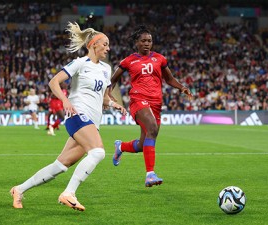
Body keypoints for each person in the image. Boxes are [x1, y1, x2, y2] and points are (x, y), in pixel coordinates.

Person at [10, 22, 127, 211]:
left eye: (108, 44)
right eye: (104, 44)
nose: (108, 47)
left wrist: (115, 105)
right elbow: (54, 82)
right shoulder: (80, 63)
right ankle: (69, 193)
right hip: (77, 116)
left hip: (91, 123)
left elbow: (104, 98)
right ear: (93, 45)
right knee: (98, 152)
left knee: (60, 166)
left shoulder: (106, 69)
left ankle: (19, 189)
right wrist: (65, 100)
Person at [109, 25, 193, 187]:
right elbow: (113, 80)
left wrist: (181, 87)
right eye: (143, 41)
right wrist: (108, 94)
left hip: (156, 103)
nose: (147, 43)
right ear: (137, 43)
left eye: (149, 41)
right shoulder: (129, 61)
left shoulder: (160, 59)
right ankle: (150, 174)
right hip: (138, 100)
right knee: (152, 129)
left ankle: (121, 146)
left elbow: (169, 79)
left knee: (143, 144)